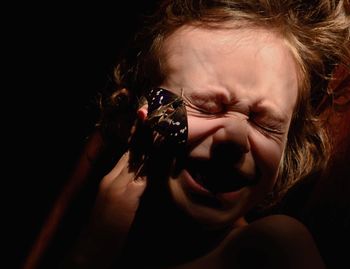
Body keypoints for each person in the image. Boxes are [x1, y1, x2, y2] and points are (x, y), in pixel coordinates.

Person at [41, 0, 348, 268]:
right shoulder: (89, 211)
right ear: (138, 108)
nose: (235, 139)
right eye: (207, 107)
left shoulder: (274, 248)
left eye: (265, 123)